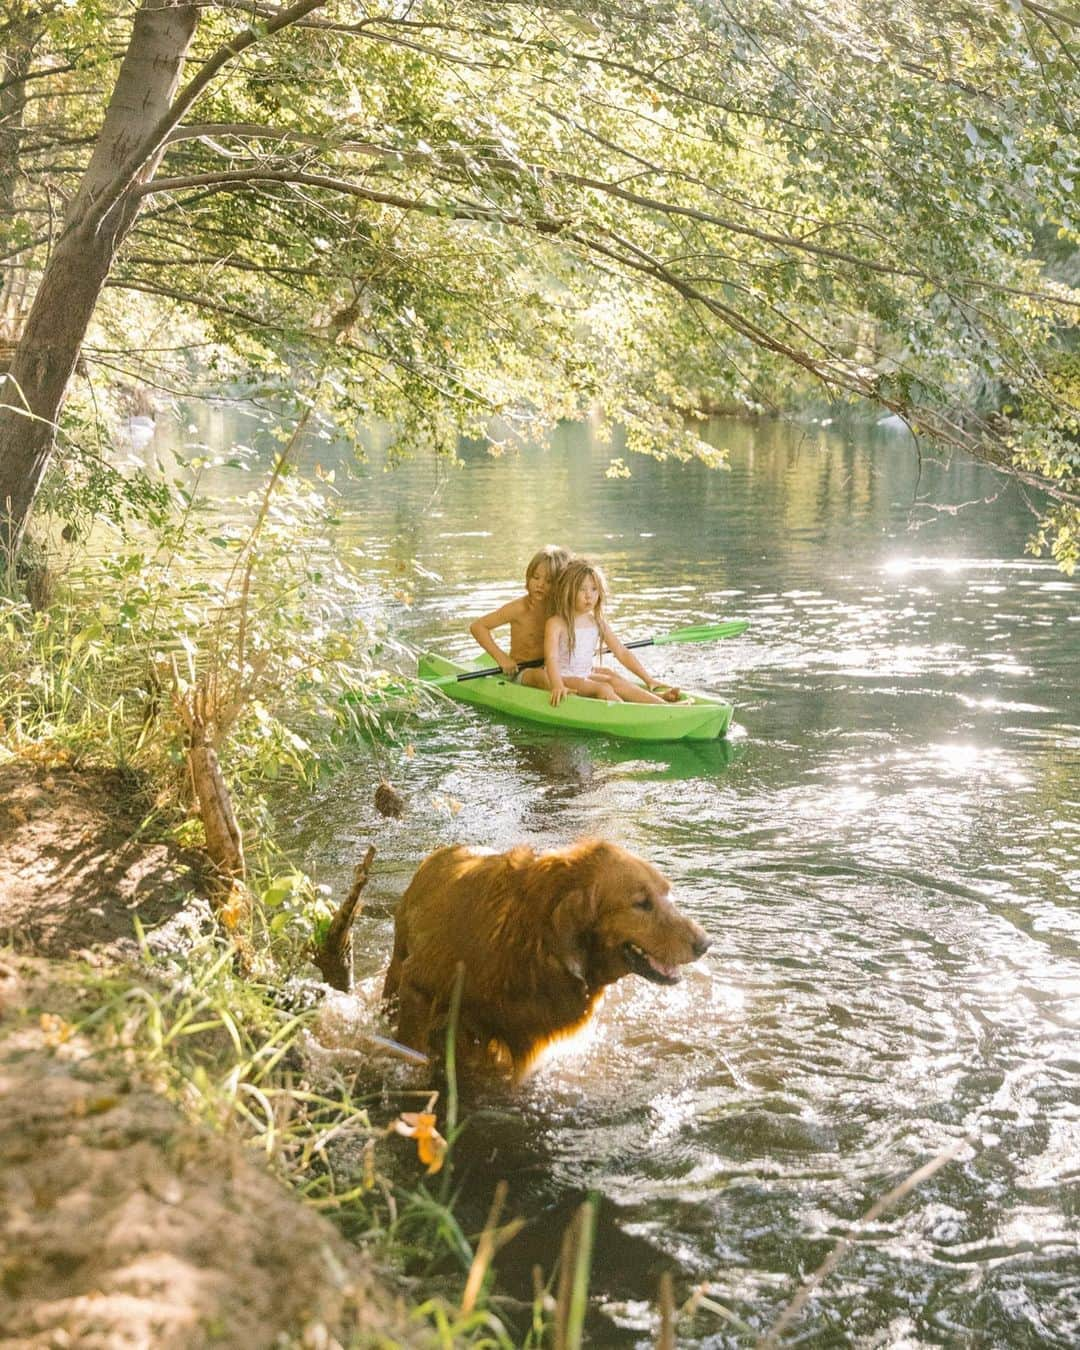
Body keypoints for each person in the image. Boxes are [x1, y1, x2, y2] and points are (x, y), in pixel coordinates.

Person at [544, 558, 681, 706]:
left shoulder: (597, 622)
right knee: (603, 688)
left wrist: (648, 679)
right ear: (568, 590)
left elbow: (622, 652)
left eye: (594, 589)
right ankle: (635, 713)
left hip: (584, 675)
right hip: (563, 676)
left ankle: (660, 702)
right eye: (582, 589)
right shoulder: (556, 623)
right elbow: (551, 658)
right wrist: (557, 685)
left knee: (612, 680)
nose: (589, 595)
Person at [468, 545, 572, 687]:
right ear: (528, 577)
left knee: (603, 673)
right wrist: (502, 658)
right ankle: (569, 697)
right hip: (521, 671)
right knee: (542, 677)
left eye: (549, 581)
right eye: (536, 577)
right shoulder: (519, 608)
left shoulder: (561, 610)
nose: (540, 584)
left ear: (560, 585)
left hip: (553, 669)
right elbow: (478, 626)